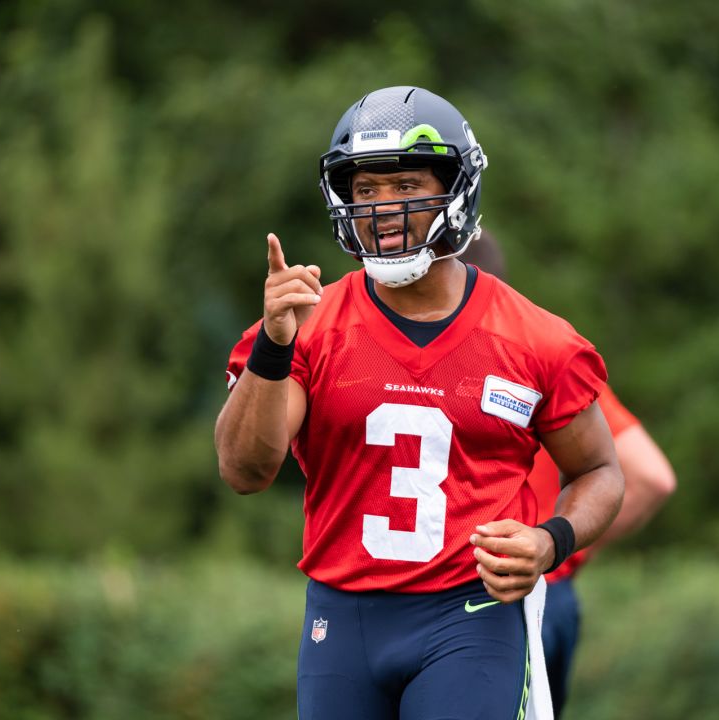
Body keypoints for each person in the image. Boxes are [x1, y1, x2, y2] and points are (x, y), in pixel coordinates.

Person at [215, 86, 625, 720]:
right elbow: (246, 471)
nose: (381, 209)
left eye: (404, 185)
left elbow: (600, 471)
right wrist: (273, 345)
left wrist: (550, 542)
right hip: (341, 616)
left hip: (471, 613)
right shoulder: (310, 326)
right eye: (365, 192)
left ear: (456, 189)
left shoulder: (537, 339)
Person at [461, 235, 677, 716]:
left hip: (499, 592)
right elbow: (653, 477)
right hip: (538, 589)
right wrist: (558, 555)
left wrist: (557, 546)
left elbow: (649, 476)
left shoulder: (537, 359)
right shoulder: (533, 355)